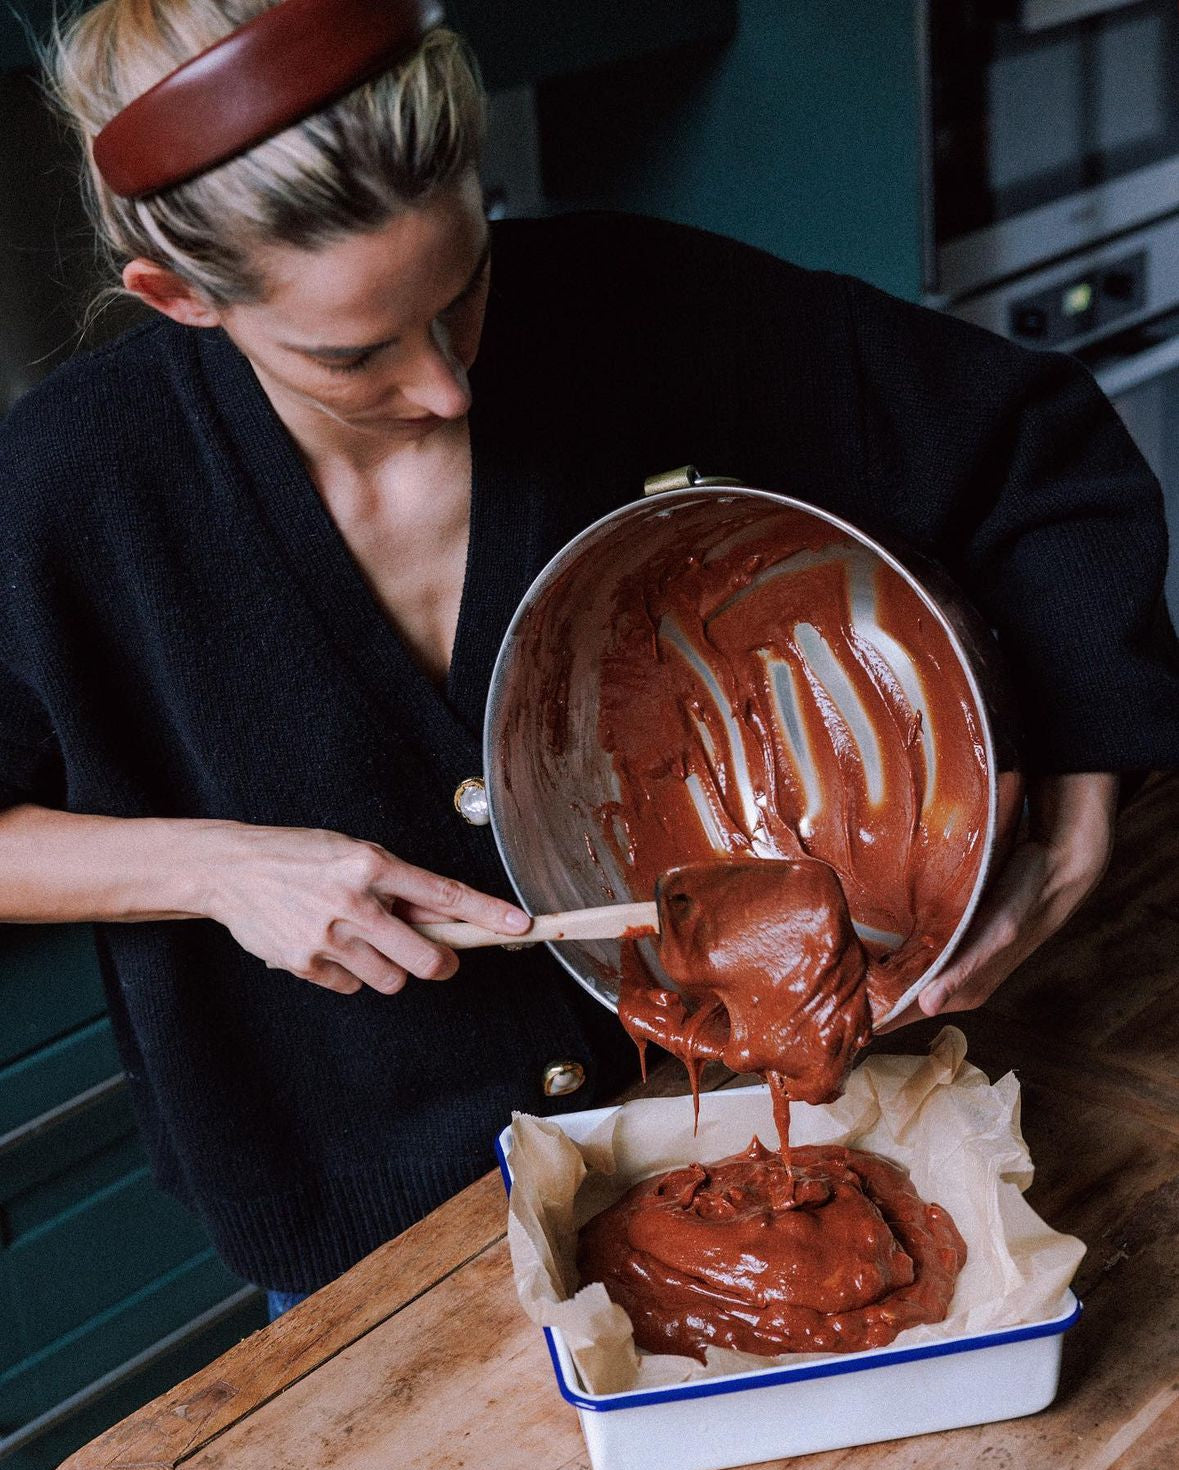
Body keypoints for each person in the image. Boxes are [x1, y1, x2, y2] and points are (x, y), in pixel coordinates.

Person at [2, 0, 1176, 1319]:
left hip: (754, 1143)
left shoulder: (644, 310)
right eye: (357, 352)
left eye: (465, 294)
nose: (448, 387)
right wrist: (215, 868)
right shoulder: (69, 489)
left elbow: (1038, 457)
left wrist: (1087, 778)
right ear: (180, 298)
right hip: (372, 1261)